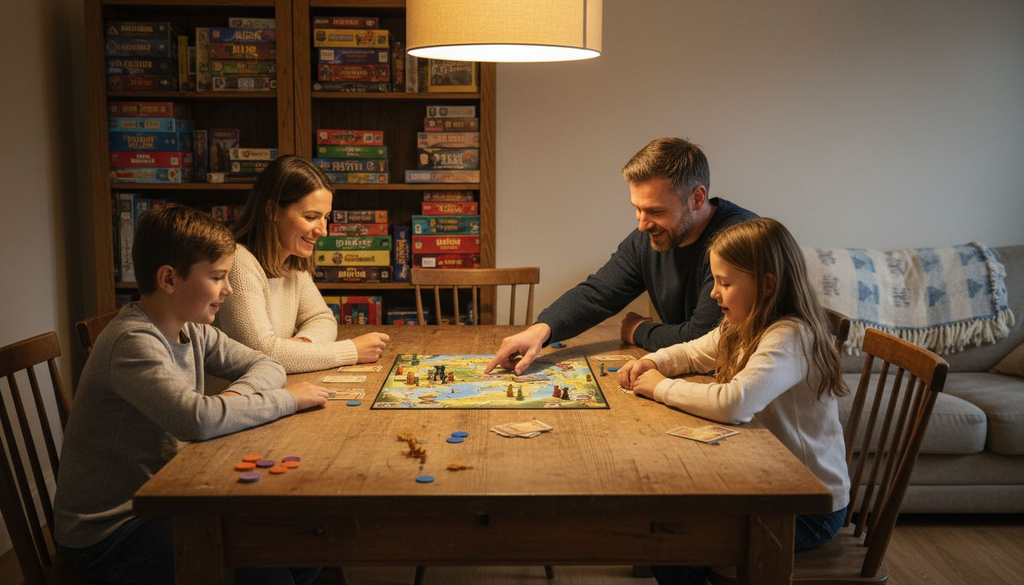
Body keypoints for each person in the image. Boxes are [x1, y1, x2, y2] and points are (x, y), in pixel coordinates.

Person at [54, 206, 327, 585]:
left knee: (306, 548)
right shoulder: (132, 342)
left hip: (171, 495)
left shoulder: (192, 329)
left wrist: (230, 401)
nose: (228, 289)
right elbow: (196, 421)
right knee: (270, 577)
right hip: (111, 531)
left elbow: (267, 364)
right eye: (217, 277)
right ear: (169, 279)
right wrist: (289, 400)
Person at [617, 218, 850, 585]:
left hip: (807, 506)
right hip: (766, 484)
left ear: (767, 285)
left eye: (725, 283)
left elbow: (734, 403)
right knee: (666, 523)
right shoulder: (744, 320)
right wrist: (654, 361)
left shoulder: (790, 335)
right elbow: (693, 352)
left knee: (668, 548)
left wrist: (660, 387)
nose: (714, 293)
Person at [487, 137, 756, 375]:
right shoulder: (648, 238)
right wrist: (541, 329)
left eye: (656, 211)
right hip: (685, 373)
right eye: (637, 209)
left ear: (697, 198)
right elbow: (598, 293)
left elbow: (704, 339)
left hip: (732, 384)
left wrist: (638, 331)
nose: (642, 224)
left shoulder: (738, 241)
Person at [215, 155, 389, 373]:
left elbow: (322, 318)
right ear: (272, 211)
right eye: (310, 217)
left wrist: (301, 345)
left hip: (273, 387)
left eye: (325, 217)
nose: (323, 231)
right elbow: (260, 354)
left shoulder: (292, 262)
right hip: (234, 393)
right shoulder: (238, 263)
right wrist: (351, 350)